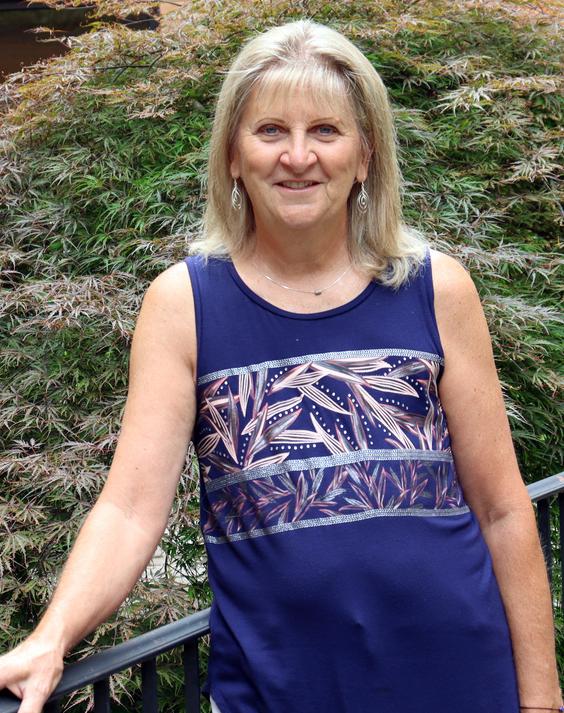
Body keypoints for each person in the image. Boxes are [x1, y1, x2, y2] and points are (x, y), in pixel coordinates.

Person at [0, 18, 561, 713]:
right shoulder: (186, 304)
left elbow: (504, 510)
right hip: (279, 690)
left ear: (365, 156)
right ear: (233, 155)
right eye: (271, 131)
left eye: (326, 130)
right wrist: (50, 636)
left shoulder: (435, 289)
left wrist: (540, 698)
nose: (299, 156)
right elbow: (128, 508)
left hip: (459, 680)